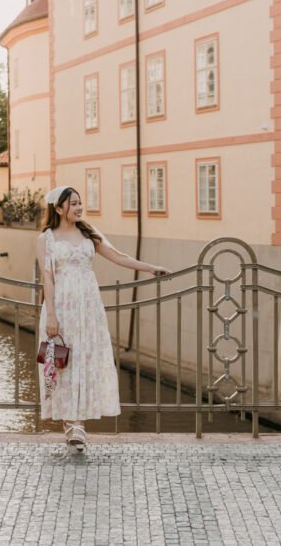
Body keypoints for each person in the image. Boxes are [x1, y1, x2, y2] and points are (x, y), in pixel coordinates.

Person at [36, 185, 170, 452]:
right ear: (59, 208)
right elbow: (47, 278)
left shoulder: (89, 233)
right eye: (73, 203)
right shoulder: (45, 239)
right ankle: (71, 423)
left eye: (80, 202)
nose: (79, 207)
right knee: (63, 363)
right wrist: (51, 315)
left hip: (89, 309)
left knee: (86, 360)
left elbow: (118, 256)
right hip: (62, 308)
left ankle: (79, 424)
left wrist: (151, 268)